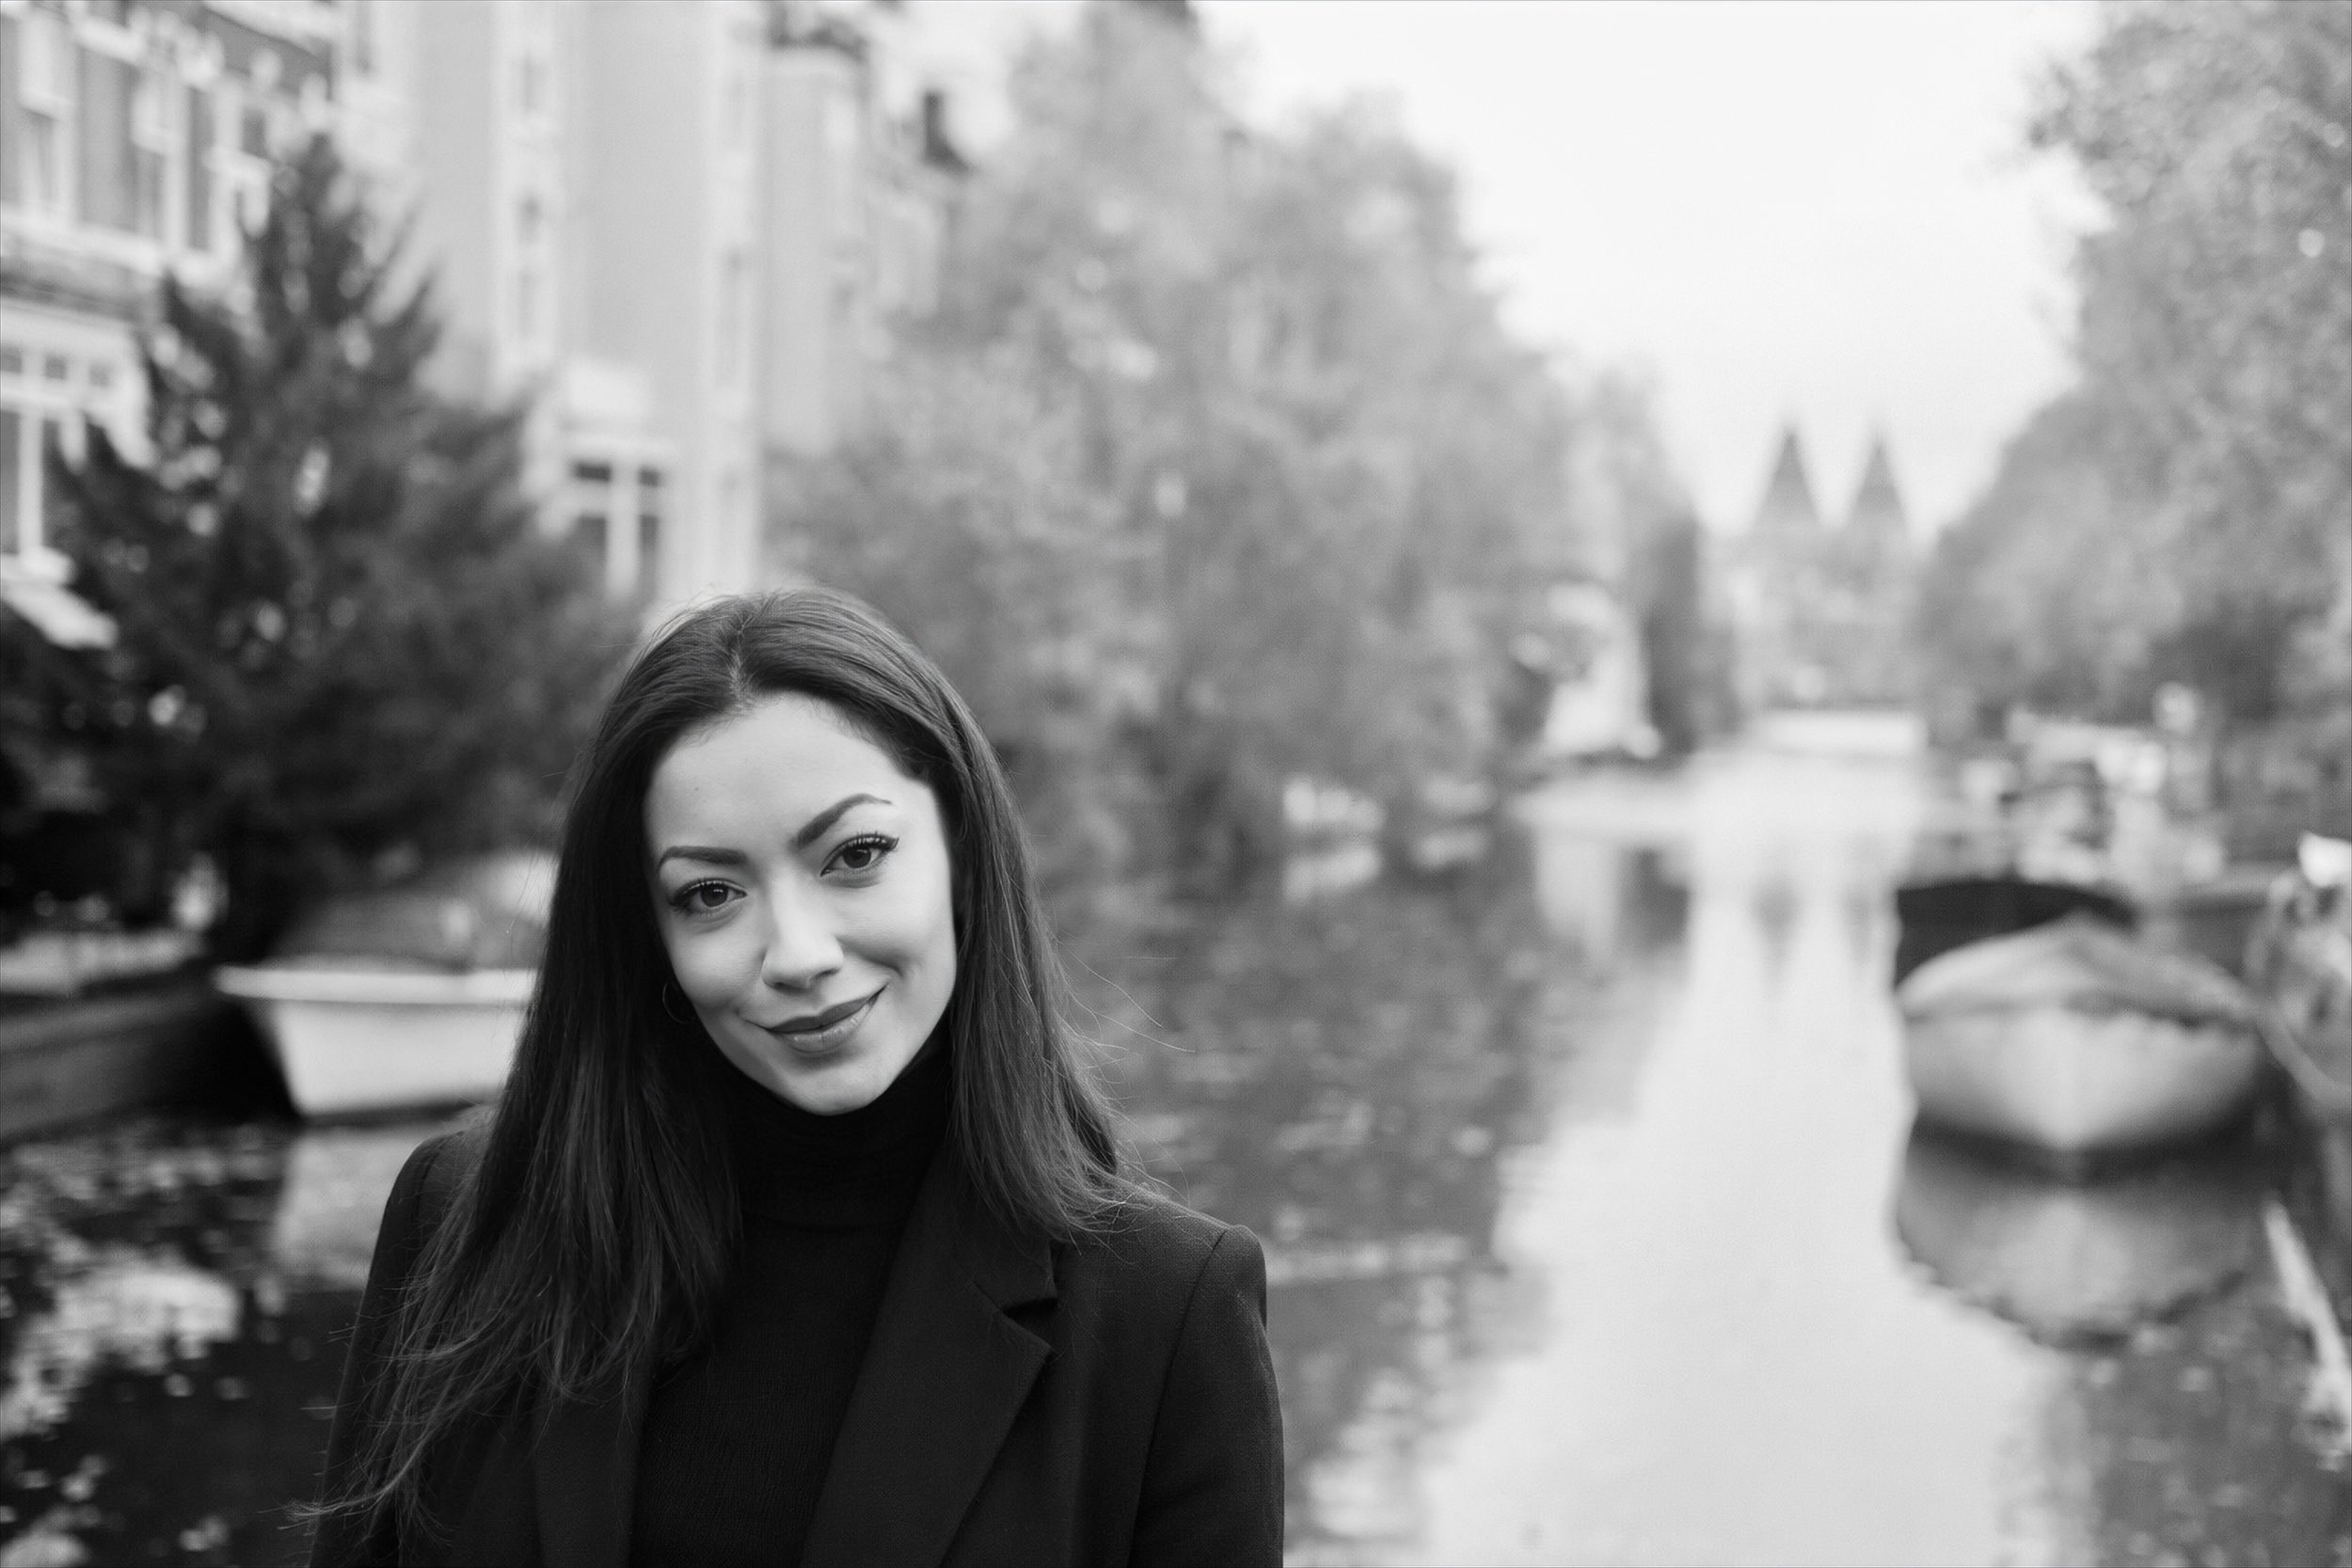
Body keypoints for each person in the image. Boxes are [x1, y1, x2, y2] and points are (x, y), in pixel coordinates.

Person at [308, 588, 1282, 1567]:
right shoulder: (461, 1219)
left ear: (963, 851)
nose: (799, 953)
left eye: (856, 854)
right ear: (649, 932)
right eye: (711, 892)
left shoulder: (1168, 1315)